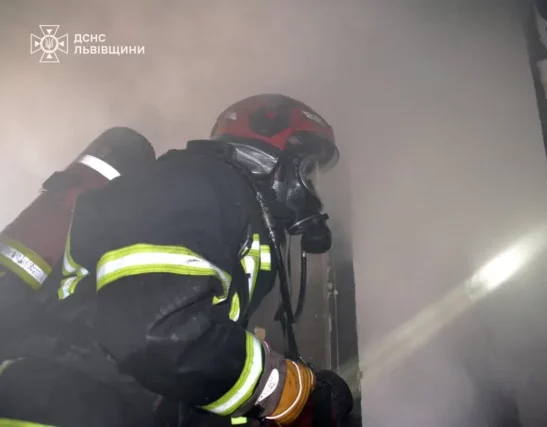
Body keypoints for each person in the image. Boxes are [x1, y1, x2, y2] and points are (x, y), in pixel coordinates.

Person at [0, 94, 352, 427]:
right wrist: (290, 392)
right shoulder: (199, 181)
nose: (312, 190)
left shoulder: (233, 214)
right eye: (307, 171)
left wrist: (275, 407)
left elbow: (181, 378)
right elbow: (159, 333)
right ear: (273, 157)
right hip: (58, 407)